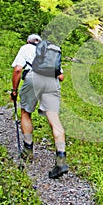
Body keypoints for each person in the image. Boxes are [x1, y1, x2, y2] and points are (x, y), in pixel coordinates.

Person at [11, 34, 69, 179]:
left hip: (33, 78)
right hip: (52, 82)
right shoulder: (50, 53)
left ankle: (28, 150)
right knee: (54, 119)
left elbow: (18, 70)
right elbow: (61, 77)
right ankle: (61, 161)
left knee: (26, 113)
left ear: (28, 41)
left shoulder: (25, 48)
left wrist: (14, 90)